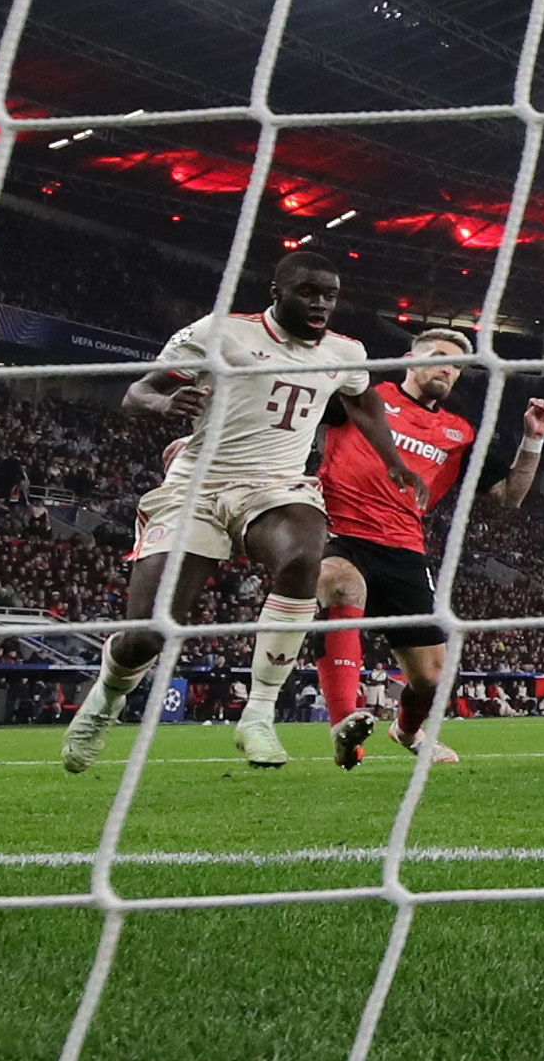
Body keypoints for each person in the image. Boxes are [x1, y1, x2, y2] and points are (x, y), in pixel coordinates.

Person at [61, 252, 427, 772]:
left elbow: (363, 400)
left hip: (277, 486)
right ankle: (105, 700)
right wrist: (165, 407)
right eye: (309, 291)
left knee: (305, 556)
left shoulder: (347, 351)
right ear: (277, 290)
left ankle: (257, 716)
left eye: (330, 295)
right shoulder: (221, 333)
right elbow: (137, 392)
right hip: (198, 487)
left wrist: (394, 463)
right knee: (152, 630)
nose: (321, 303)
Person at [312, 328, 544, 769]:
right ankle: (344, 724)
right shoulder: (364, 395)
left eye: (457, 364)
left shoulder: (458, 433)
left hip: (405, 550)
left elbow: (509, 496)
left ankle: (405, 731)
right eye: (439, 356)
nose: (448, 367)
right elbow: (295, 413)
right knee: (341, 584)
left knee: (431, 678)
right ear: (410, 359)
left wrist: (532, 439)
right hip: (341, 532)